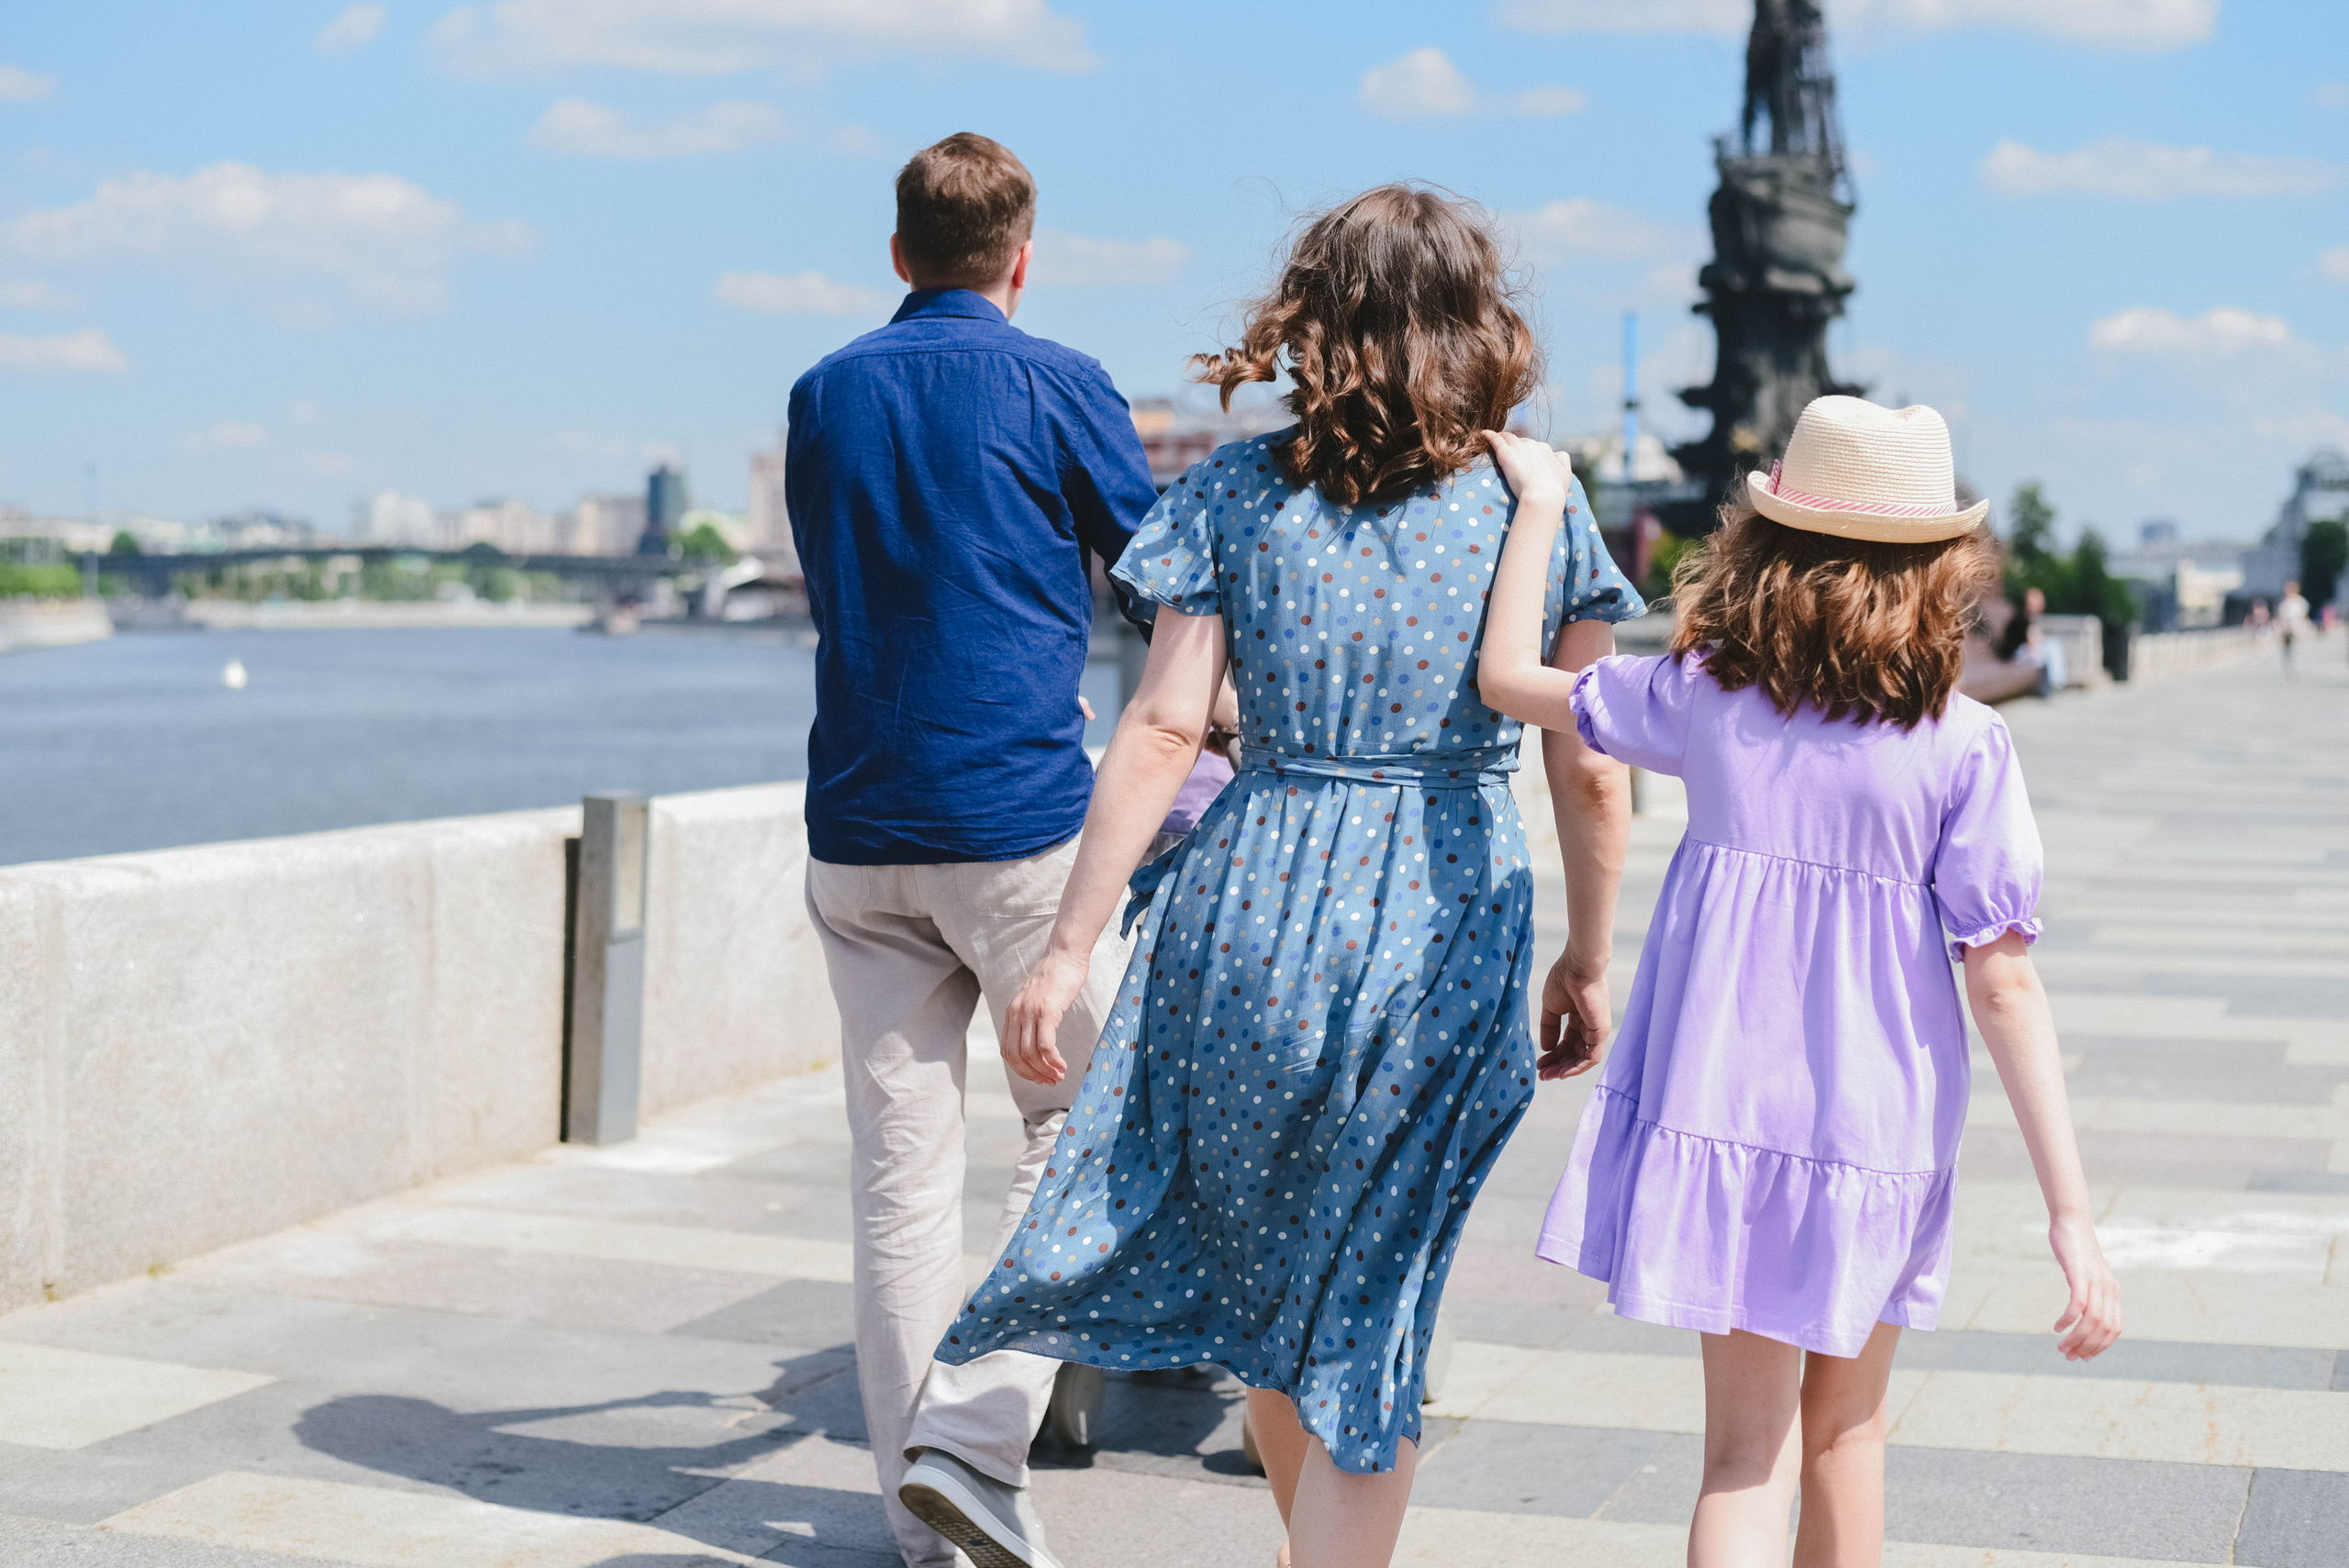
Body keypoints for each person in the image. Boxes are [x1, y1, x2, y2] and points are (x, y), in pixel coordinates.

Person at [936, 184, 1647, 1568]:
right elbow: (1594, 764)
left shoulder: (1234, 493)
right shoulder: (1531, 507)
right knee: (1369, 1325)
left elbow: (1157, 729)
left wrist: (1070, 947)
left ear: (1313, 323)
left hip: (1246, 908)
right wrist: (1588, 955)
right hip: (1438, 923)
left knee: (1270, 1294)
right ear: (1476, 324)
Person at [1479, 396, 2122, 1568]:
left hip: (1720, 1106)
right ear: (1943, 570)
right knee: (1847, 1435)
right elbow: (2005, 987)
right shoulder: (1964, 744)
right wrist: (2069, 1213)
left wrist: (1538, 506)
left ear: (1769, 551)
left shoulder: (1705, 695)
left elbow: (1507, 678)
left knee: (1741, 1457)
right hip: (1875, 1123)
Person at [784, 131, 1160, 1568]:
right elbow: (1158, 587)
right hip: (1012, 824)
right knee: (1090, 1132)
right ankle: (977, 1433)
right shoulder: (1060, 380)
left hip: (858, 829)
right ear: (1022, 257)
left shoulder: (824, 393)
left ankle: (919, 1531)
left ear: (896, 256)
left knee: (899, 1180)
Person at [2277, 578, 2310, 677]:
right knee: (2287, 650)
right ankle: (2289, 669)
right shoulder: (2284, 603)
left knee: (2297, 650)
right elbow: (2281, 617)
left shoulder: (2300, 602)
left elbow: (2304, 616)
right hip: (2286, 630)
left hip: (2297, 629)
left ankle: (2296, 670)